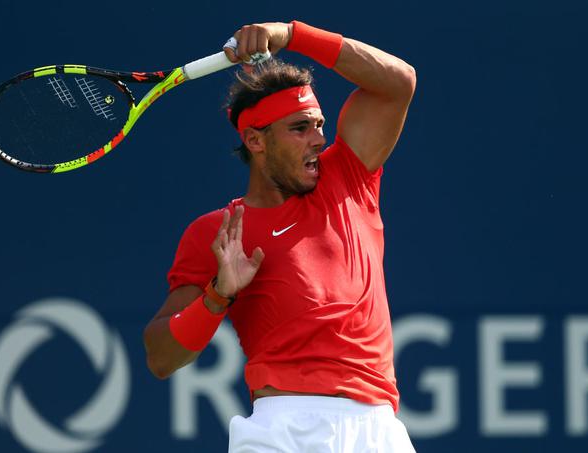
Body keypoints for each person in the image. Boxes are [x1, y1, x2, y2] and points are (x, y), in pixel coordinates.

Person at [144, 20, 417, 452]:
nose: (318, 139)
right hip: (284, 430)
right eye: (299, 128)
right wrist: (217, 296)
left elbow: (398, 82)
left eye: (319, 124)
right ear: (255, 140)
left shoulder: (348, 175)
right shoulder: (218, 232)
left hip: (377, 429)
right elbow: (161, 357)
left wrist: (291, 34)